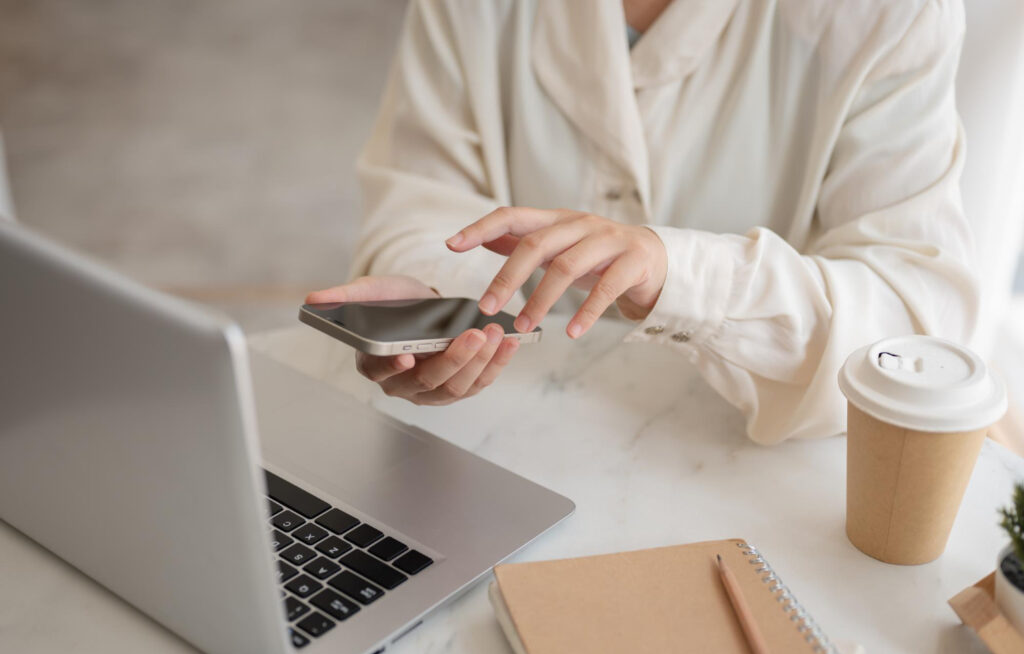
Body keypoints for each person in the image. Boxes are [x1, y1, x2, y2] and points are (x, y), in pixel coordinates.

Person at [307, 0, 976, 445]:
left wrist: (678, 275)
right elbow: (417, 199)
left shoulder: (889, 14)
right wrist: (436, 305)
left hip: (752, 466)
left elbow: (917, 323)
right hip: (500, 438)